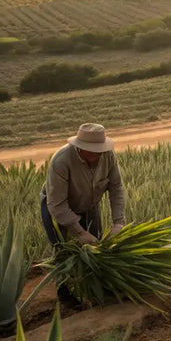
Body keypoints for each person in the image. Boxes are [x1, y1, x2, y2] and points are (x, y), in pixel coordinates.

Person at [40, 123, 126, 308]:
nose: (97, 155)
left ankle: (96, 291)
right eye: (92, 151)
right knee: (63, 250)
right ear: (80, 148)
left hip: (89, 205)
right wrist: (79, 232)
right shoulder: (61, 162)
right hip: (57, 208)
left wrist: (119, 222)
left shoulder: (107, 156)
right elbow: (57, 204)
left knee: (96, 246)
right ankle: (65, 296)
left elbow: (116, 187)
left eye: (99, 151)